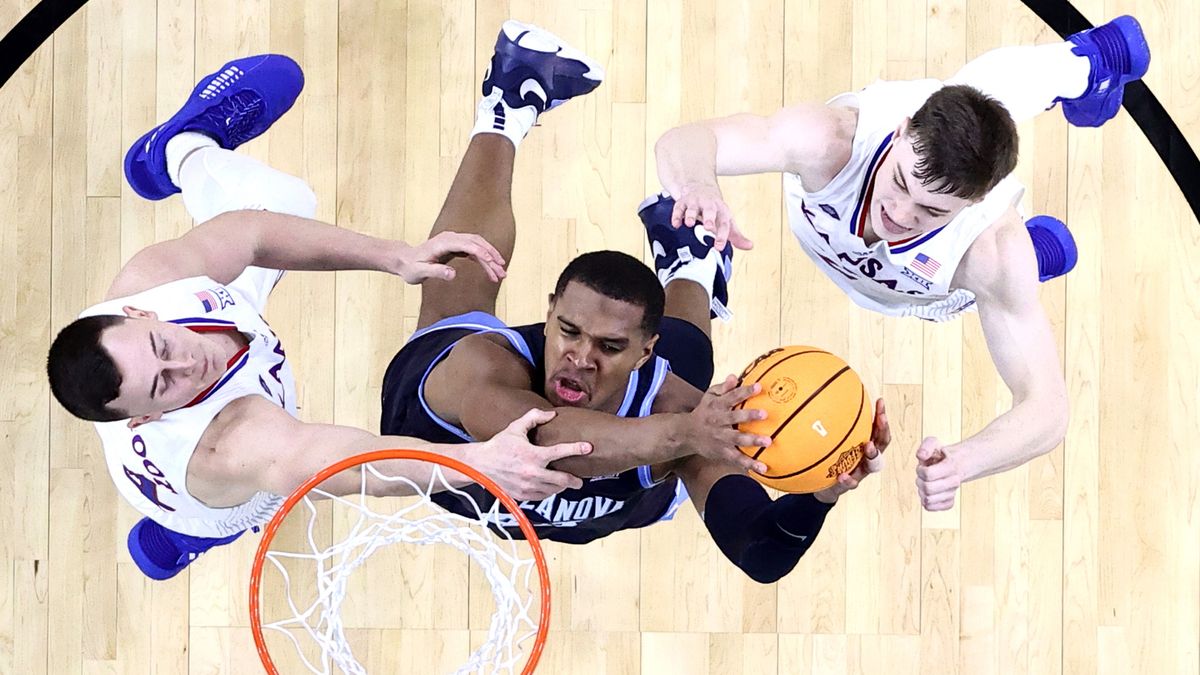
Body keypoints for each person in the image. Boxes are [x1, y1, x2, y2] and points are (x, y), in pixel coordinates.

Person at [45, 53, 591, 579]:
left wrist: (394, 256)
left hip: (223, 358)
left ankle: (173, 151)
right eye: (163, 386)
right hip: (208, 487)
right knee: (223, 509)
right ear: (143, 418)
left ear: (139, 314)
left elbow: (252, 234)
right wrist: (478, 462)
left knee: (282, 200)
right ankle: (188, 534)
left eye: (163, 348)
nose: (185, 364)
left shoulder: (153, 283)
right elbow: (352, 463)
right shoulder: (233, 444)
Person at [381, 20, 890, 584]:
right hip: (443, 446)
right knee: (460, 275)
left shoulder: (681, 411)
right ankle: (508, 103)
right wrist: (685, 433)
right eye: (568, 330)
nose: (579, 356)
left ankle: (690, 262)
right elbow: (543, 440)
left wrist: (820, 494)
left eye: (611, 345)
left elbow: (762, 553)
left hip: (621, 497)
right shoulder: (480, 369)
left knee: (690, 366)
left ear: (647, 351)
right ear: (549, 313)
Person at [651, 16, 1151, 511]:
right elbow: (686, 141)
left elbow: (1048, 409)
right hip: (890, 233)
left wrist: (966, 461)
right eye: (901, 183)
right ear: (900, 131)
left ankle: (1082, 90)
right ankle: (1085, 64)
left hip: (926, 287)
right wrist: (698, 184)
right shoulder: (830, 140)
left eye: (931, 210)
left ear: (976, 204)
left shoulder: (988, 247)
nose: (898, 213)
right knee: (972, 95)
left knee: (988, 273)